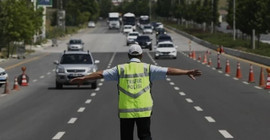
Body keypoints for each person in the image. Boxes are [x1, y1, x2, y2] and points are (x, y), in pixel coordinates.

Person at [70, 44, 202, 140]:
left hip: (126, 111)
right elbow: (168, 70)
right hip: (144, 110)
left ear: (128, 56)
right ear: (141, 55)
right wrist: (186, 72)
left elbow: (100, 74)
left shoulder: (120, 69)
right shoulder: (148, 68)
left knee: (126, 137)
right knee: (145, 136)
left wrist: (84, 78)